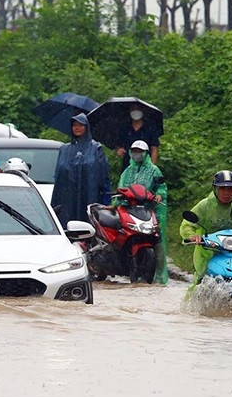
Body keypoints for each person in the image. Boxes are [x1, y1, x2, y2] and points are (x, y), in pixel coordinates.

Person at [115, 140, 168, 284]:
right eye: (134, 151)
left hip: (148, 209)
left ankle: (159, 276)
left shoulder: (154, 170)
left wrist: (159, 194)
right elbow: (121, 187)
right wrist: (117, 201)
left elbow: (161, 187)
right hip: (130, 209)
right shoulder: (127, 171)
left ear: (146, 153)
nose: (137, 154)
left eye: (140, 151)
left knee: (157, 240)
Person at [51, 112, 110, 225]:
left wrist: (104, 198)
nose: (77, 128)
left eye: (80, 125)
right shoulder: (64, 149)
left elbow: (103, 176)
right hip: (68, 196)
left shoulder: (95, 148)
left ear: (86, 127)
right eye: (74, 125)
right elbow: (59, 176)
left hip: (88, 194)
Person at [112, 101, 161, 168]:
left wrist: (151, 168)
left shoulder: (150, 128)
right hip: (128, 166)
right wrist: (119, 150)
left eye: (138, 109)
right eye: (133, 109)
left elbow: (154, 149)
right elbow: (118, 145)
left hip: (145, 166)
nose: (135, 111)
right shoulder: (124, 128)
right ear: (129, 111)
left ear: (142, 111)